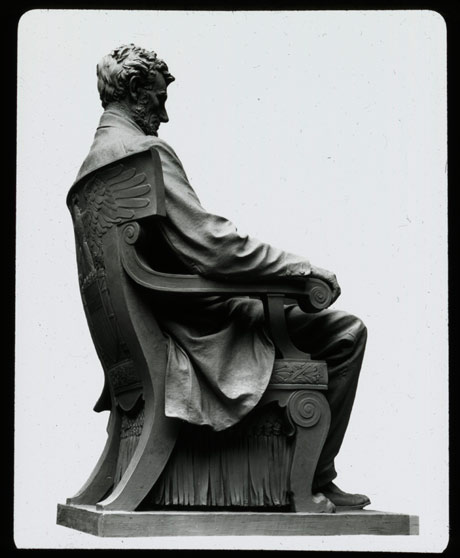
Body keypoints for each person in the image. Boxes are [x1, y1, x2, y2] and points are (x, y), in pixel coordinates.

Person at [74, 44, 370, 511]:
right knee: (346, 332)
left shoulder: (93, 166)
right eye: (158, 98)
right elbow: (214, 247)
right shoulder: (143, 153)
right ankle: (311, 482)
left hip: (158, 329)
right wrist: (300, 270)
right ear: (133, 89)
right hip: (197, 334)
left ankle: (303, 475)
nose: (164, 115)